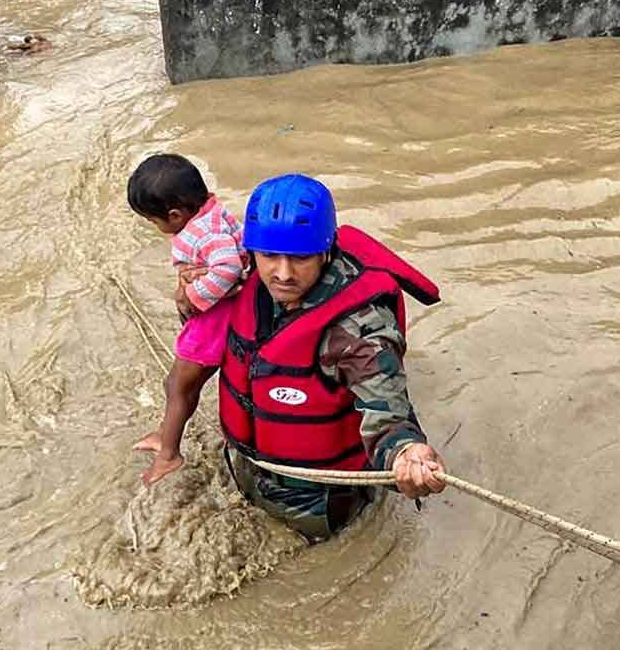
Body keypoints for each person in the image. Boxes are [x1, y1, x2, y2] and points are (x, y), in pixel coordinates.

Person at [217, 174, 448, 541]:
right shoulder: (246, 274)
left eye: (300, 258)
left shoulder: (358, 330)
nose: (283, 273)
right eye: (269, 256)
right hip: (247, 462)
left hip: (313, 501)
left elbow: (387, 410)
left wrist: (406, 454)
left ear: (326, 250)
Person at [126, 154, 246, 486]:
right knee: (178, 385)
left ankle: (168, 455)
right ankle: (166, 434)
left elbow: (229, 268)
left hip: (216, 321)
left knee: (179, 385)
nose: (157, 228)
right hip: (220, 314)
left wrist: (192, 299)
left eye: (154, 221)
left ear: (175, 215)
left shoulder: (204, 231)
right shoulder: (211, 214)